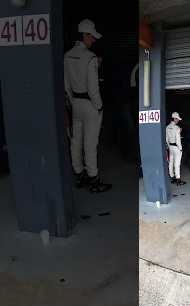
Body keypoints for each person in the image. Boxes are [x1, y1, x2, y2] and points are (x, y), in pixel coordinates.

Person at [64, 19, 111, 193]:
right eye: (91, 36)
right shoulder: (90, 58)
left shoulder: (67, 56)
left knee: (76, 141)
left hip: (75, 102)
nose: (93, 40)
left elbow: (66, 84)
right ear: (84, 34)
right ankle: (94, 179)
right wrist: (99, 106)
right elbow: (93, 88)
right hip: (91, 105)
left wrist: (71, 100)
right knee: (91, 144)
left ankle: (78, 174)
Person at [166, 112, 186, 185]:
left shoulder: (167, 127)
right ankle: (178, 179)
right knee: (177, 164)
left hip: (170, 147)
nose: (178, 120)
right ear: (174, 118)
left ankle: (172, 177)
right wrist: (180, 148)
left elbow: (166, 139)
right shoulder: (177, 128)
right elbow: (178, 140)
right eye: (177, 119)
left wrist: (169, 146)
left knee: (171, 162)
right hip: (176, 147)